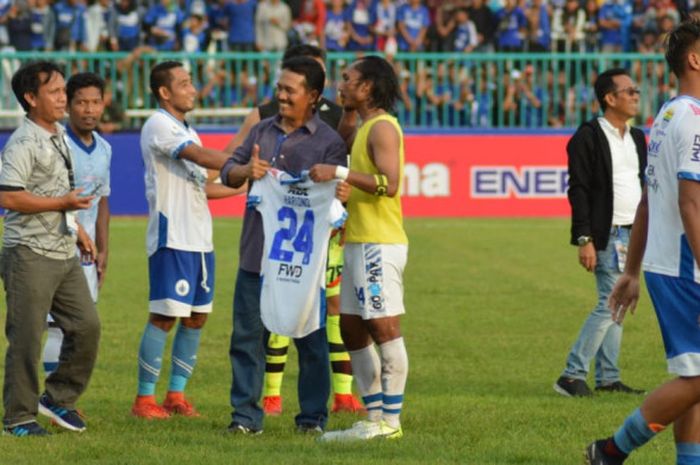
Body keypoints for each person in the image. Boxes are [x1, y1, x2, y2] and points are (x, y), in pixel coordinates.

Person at [224, 43, 363, 417]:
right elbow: (228, 169)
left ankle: (312, 417)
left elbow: (337, 197)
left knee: (311, 341)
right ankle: (245, 417)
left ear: (313, 96)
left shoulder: (329, 143)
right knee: (247, 338)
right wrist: (244, 173)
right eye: (279, 88)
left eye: (290, 90)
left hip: (306, 262)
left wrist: (340, 192)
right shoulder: (261, 132)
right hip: (257, 253)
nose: (281, 96)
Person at [585, 19, 700, 465]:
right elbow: (690, 205)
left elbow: (649, 202)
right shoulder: (691, 119)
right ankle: (610, 451)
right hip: (685, 265)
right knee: (695, 377)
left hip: (668, 262)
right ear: (694, 59)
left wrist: (631, 271)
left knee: (693, 373)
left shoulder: (669, 113)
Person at [131, 61, 238, 419]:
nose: (193, 89)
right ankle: (144, 400)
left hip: (200, 240)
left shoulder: (188, 130)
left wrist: (247, 183)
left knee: (196, 318)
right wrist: (236, 164)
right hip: (172, 235)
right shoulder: (160, 125)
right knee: (164, 316)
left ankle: (175, 395)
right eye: (185, 83)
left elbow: (201, 185)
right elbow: (199, 158)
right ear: (164, 92)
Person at [310, 55, 409, 441]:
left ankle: (390, 422)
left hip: (378, 244)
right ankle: (373, 416)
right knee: (352, 328)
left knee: (383, 327)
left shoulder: (383, 127)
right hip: (359, 241)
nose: (341, 83)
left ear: (367, 86)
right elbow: (342, 143)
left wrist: (337, 173)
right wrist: (348, 112)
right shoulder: (365, 124)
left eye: (348, 79)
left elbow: (391, 182)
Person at [0, 61, 100, 436]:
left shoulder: (58, 134)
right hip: (28, 253)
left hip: (62, 250)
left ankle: (57, 398)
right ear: (30, 98)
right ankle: (19, 417)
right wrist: (63, 205)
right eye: (55, 92)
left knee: (87, 327)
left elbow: (60, 190)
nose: (64, 98)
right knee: (26, 337)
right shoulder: (23, 142)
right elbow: (9, 197)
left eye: (63, 91)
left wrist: (76, 231)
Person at [554, 68, 647, 398]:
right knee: (611, 303)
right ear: (609, 98)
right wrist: (584, 238)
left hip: (633, 234)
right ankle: (571, 374)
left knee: (617, 305)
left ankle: (608, 377)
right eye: (629, 90)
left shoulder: (637, 137)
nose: (636, 95)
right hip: (605, 233)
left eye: (636, 90)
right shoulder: (588, 136)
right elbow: (577, 189)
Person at [42, 72, 111, 376]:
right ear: (68, 106)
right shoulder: (55, 144)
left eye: (95, 102)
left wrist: (104, 250)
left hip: (87, 253)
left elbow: (103, 200)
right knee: (58, 327)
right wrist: (79, 233)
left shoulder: (105, 149)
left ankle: (60, 398)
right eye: (81, 102)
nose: (89, 109)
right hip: (55, 246)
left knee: (82, 328)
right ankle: (51, 400)